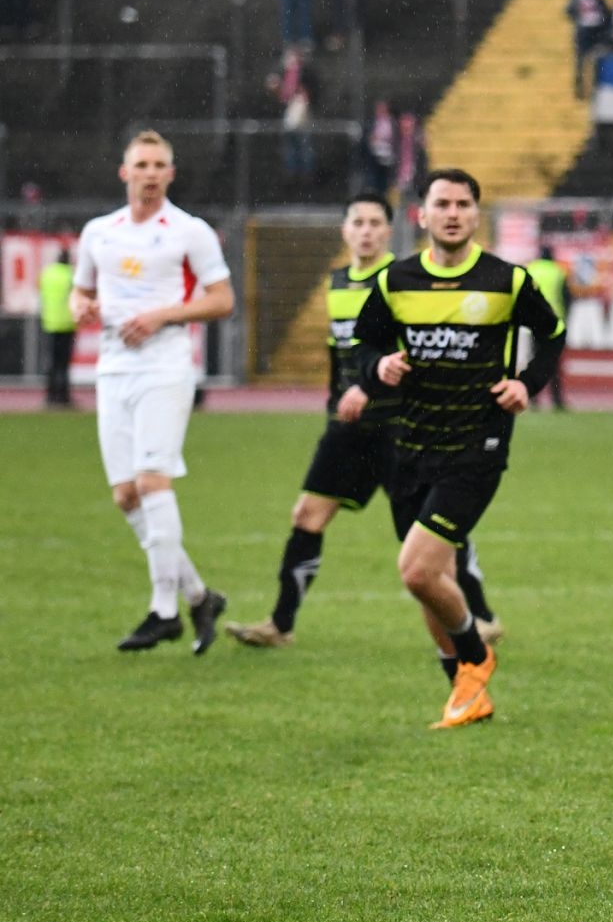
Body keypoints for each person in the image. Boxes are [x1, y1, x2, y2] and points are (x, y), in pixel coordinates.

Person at [227, 196, 500, 657]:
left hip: (400, 426)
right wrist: (339, 398)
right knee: (306, 517)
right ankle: (280, 623)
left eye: (376, 223)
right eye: (359, 222)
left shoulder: (407, 282)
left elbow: (425, 351)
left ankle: (482, 618)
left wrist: (370, 387)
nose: (367, 231)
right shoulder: (337, 284)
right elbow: (344, 355)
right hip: (350, 428)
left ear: (389, 231)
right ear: (345, 230)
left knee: (429, 534)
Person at [350, 170, 566, 729]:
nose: (452, 213)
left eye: (463, 204)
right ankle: (466, 694)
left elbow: (553, 333)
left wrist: (527, 383)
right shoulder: (396, 282)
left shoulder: (506, 280)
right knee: (433, 580)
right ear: (421, 215)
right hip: (410, 442)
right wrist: (378, 366)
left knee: (417, 572)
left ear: (476, 215)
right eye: (441, 203)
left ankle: (475, 656)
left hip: (477, 443)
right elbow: (364, 344)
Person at [70, 131, 234, 653]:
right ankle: (199, 596)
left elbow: (222, 299)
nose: (149, 172)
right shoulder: (99, 232)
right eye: (141, 164)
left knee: (151, 480)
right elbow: (82, 289)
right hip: (113, 367)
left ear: (171, 173)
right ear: (124, 173)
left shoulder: (190, 231)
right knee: (125, 495)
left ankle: (164, 610)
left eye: (159, 164)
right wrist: (81, 307)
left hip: (165, 363)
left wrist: (164, 313)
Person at [524, 246, 570, 411]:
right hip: (554, 322)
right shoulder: (558, 271)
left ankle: (534, 398)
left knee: (535, 360)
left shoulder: (531, 269)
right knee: (554, 362)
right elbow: (566, 297)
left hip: (535, 323)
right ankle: (557, 400)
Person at [40, 246, 75, 407]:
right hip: (67, 324)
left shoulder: (48, 273)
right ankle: (63, 396)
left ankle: (50, 396)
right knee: (63, 363)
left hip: (50, 323)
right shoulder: (71, 275)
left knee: (51, 362)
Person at [565, 0, 611, 97]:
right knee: (580, 63)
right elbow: (568, 11)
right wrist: (579, 15)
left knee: (597, 62)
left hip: (596, 34)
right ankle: (579, 90)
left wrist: (601, 21)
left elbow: (607, 15)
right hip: (582, 34)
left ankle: (596, 91)